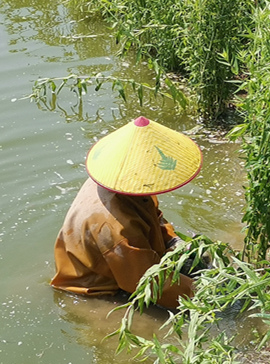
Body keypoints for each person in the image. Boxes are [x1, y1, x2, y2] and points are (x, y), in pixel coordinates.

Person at [50, 116, 203, 310]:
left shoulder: (117, 181)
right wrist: (203, 292)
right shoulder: (115, 226)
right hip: (96, 294)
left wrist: (173, 241)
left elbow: (153, 218)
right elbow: (148, 282)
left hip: (124, 266)